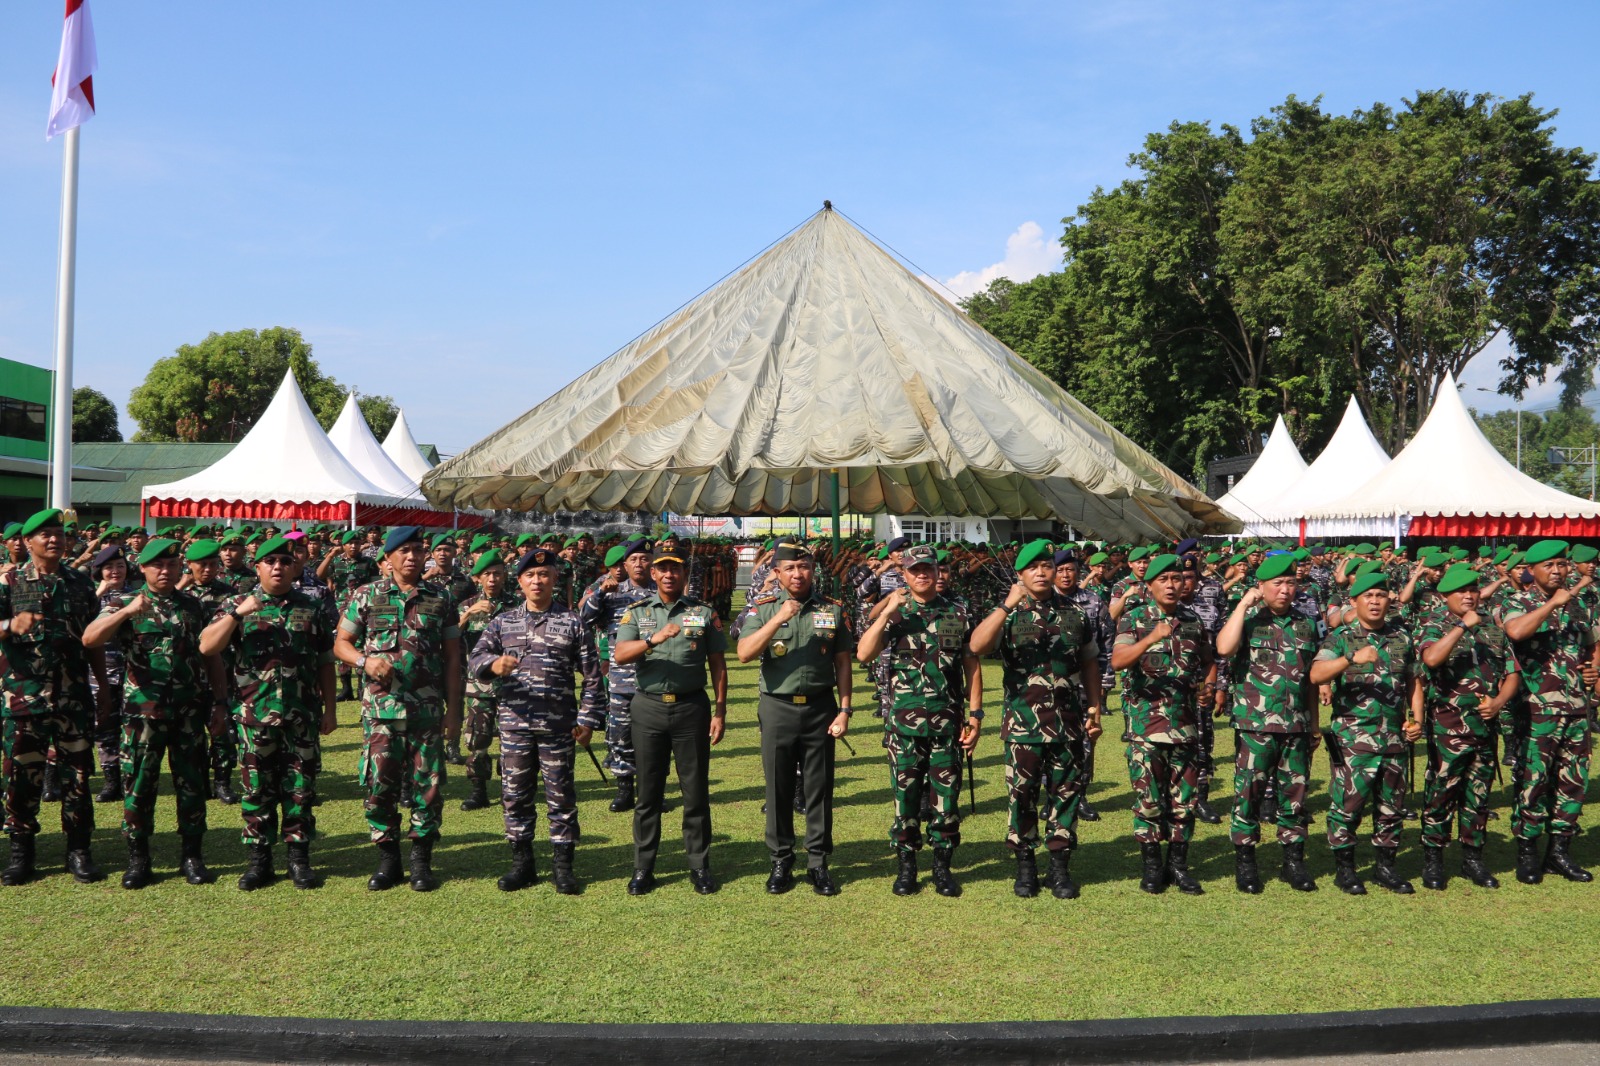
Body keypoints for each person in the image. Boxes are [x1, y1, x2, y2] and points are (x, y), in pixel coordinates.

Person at [200, 535, 338, 890]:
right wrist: (236, 614)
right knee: (256, 789)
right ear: (257, 566)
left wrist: (331, 709)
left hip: (301, 714)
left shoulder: (311, 605)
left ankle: (298, 859)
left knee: (300, 789)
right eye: (269, 561)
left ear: (294, 567)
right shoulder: (237, 603)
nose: (278, 567)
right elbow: (207, 646)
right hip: (254, 715)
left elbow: (325, 660)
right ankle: (258, 860)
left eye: (284, 561)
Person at [468, 547, 605, 894]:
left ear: (555, 579)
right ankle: (522, 863)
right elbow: (475, 659)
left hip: (558, 726)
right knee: (515, 795)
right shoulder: (503, 622)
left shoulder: (572, 622)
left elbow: (592, 677)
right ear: (520, 582)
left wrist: (587, 720)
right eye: (530, 575)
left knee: (561, 795)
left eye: (544, 575)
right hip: (514, 724)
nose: (537, 580)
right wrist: (493, 664)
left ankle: (563, 865)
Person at [970, 541, 1102, 899]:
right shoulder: (1009, 614)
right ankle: (1025, 867)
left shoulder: (1076, 613)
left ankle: (1059, 868)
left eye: (1048, 566)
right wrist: (1006, 604)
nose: (1043, 573)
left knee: (1066, 795)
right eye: (1034, 568)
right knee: (1022, 796)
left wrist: (1094, 706)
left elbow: (1090, 660)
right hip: (1023, 724)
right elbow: (977, 646)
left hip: (1067, 723)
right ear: (1021, 575)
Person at [335, 526, 464, 893]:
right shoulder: (366, 595)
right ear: (387, 558)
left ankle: (421, 862)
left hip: (426, 712)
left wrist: (454, 711)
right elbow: (341, 643)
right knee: (379, 785)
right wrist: (364, 662)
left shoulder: (441, 599)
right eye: (404, 551)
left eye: (417, 550)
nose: (412, 557)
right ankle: (388, 860)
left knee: (430, 787)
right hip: (381, 713)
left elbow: (454, 659)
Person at [82, 539, 212, 889]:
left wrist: (220, 703)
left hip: (187, 711)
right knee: (139, 784)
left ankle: (192, 856)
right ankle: (139, 859)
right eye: (158, 565)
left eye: (172, 565)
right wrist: (126, 612)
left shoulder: (192, 605)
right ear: (143, 568)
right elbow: (90, 638)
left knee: (192, 784)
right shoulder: (122, 601)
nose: (165, 571)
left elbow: (210, 657)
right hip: (143, 713)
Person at [856, 543, 981, 898]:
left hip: (947, 725)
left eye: (929, 568)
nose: (923, 574)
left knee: (946, 800)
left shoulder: (958, 612)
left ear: (938, 572)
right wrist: (885, 613)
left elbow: (971, 667)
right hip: (904, 727)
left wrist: (975, 716)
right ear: (905, 574)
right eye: (915, 569)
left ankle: (942, 866)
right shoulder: (897, 613)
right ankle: (907, 866)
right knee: (905, 798)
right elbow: (864, 653)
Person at [736, 540, 854, 897]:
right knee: (778, 787)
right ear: (777, 573)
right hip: (777, 707)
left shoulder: (832, 610)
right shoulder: (763, 608)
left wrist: (845, 709)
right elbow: (743, 652)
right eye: (789, 568)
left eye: (803, 567)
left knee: (818, 789)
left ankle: (817, 862)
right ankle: (781, 860)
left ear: (813, 571)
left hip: (821, 707)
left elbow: (843, 663)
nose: (797, 574)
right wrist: (779, 618)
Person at [613, 546, 729, 895]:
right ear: (653, 573)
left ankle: (699, 865)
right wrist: (653, 639)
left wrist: (721, 710)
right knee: (648, 793)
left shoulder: (703, 613)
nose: (668, 575)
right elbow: (620, 655)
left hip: (691, 707)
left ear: (683, 574)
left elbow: (718, 664)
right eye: (662, 569)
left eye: (674, 569)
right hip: (648, 708)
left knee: (694, 792)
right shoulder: (636, 613)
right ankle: (643, 867)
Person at [0, 508, 106, 886]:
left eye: (59, 533)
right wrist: (10, 625)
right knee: (22, 777)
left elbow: (92, 639)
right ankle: (21, 852)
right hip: (24, 698)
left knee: (77, 776)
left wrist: (104, 688)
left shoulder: (80, 583)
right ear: (27, 542)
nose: (54, 539)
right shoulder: (8, 581)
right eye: (44, 534)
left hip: (73, 697)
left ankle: (78, 850)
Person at [1215, 552, 1321, 894]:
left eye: (1291, 583)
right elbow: (1224, 647)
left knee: (1295, 796)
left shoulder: (1306, 623)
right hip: (1255, 727)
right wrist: (1244, 603)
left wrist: (1314, 724)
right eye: (1277, 584)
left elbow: (1311, 681)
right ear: (1261, 587)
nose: (1285, 590)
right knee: (1249, 795)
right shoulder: (1248, 621)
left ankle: (1293, 861)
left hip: (1296, 726)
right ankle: (1246, 863)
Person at [1311, 571, 1423, 895]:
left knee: (1391, 807)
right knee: (1347, 805)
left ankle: (1385, 868)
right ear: (1354, 601)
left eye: (1380, 595)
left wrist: (1416, 720)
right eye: (1368, 596)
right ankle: (1344, 870)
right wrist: (1350, 659)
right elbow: (1317, 673)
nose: (1375, 601)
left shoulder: (1402, 638)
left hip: (1393, 738)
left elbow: (1415, 682)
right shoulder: (1342, 638)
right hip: (1353, 741)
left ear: (1390, 600)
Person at [1497, 539, 1598, 884]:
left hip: (1575, 709)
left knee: (1573, 781)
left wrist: (1590, 670)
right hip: (1535, 710)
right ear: (1532, 570)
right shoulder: (1516, 602)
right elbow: (1515, 631)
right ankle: (1527, 851)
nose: (1557, 572)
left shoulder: (1576, 605)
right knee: (1533, 781)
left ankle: (1559, 852)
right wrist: (1553, 604)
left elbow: (1588, 645)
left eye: (1562, 565)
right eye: (1549, 566)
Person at [1112, 553, 1211, 895]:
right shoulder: (1134, 619)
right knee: (1150, 801)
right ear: (1149, 585)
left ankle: (1179, 867)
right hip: (1146, 729)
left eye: (1177, 579)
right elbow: (1118, 660)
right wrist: (1151, 638)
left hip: (1184, 727)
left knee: (1184, 803)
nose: (1172, 585)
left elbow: (1209, 660)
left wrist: (1209, 687)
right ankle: (1152, 868)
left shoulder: (1193, 620)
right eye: (1164, 580)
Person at [1415, 564, 1518, 890]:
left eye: (1473, 590)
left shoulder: (1493, 628)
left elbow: (1512, 673)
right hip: (1447, 730)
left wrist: (1499, 702)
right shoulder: (1434, 625)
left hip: (1485, 729)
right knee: (1440, 795)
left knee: (1478, 798)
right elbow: (1430, 660)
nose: (1469, 596)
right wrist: (1461, 626)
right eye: (1461, 591)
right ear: (1445, 596)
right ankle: (1434, 859)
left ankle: (1473, 859)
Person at [579, 539, 656, 813]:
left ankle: (651, 792)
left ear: (652, 562)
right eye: (633, 559)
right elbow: (583, 620)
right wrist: (599, 593)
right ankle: (624, 789)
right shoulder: (610, 592)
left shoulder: (663, 592)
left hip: (657, 680)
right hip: (622, 679)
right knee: (621, 736)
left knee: (654, 740)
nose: (639, 564)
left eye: (644, 558)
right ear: (625, 564)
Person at [457, 551, 520, 811]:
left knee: (512, 739)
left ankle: (511, 789)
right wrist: (467, 615)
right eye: (487, 575)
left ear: (505, 576)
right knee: (477, 739)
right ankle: (478, 789)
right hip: (479, 685)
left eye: (497, 573)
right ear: (478, 578)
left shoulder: (518, 605)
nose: (492, 579)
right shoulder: (467, 604)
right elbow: (448, 637)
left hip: (511, 683)